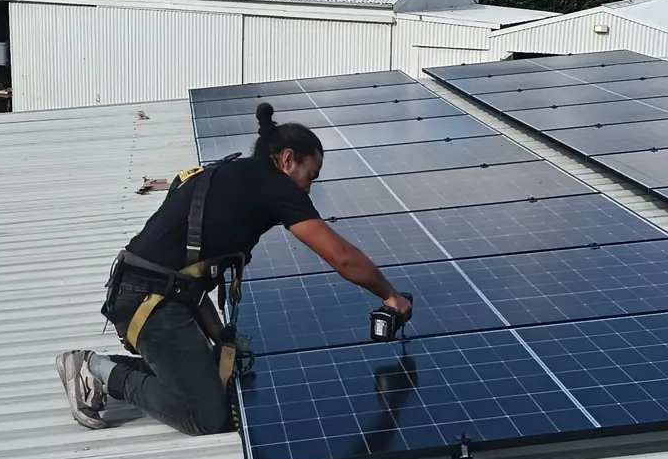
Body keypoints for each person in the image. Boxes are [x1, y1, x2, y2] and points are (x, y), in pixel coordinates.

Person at [55, 103, 412, 435]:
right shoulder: (273, 185)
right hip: (149, 303)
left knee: (218, 378)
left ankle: (102, 368)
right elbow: (342, 257)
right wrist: (390, 296)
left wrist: (221, 337)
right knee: (206, 415)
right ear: (288, 159)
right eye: (311, 176)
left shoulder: (236, 175)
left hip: (154, 293)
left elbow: (188, 275)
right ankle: (94, 369)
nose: (310, 187)